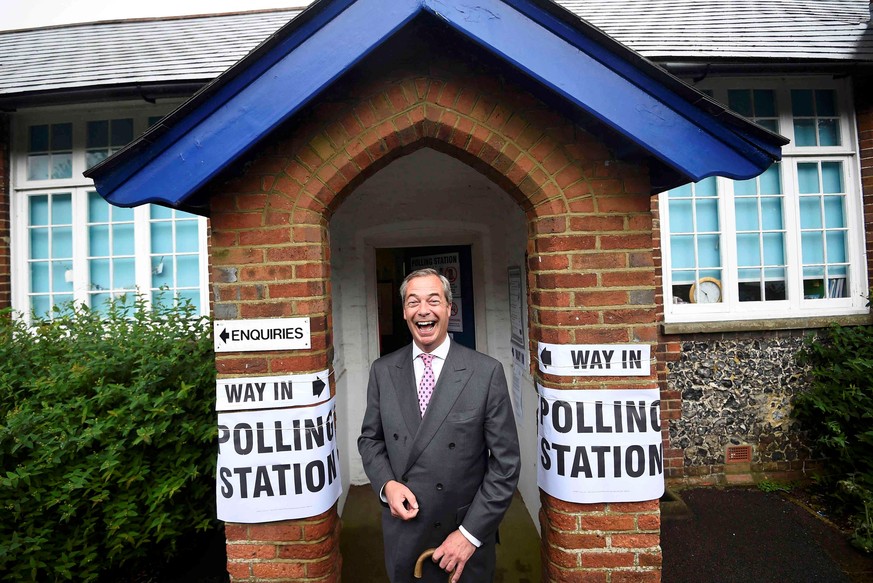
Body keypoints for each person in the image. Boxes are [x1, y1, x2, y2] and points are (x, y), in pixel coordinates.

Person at [358, 268, 521, 583]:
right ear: (405, 312)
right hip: (404, 533)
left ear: (449, 308)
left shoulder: (485, 373)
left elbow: (506, 466)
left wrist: (469, 535)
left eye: (433, 300)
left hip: (463, 536)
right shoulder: (382, 371)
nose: (423, 310)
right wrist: (386, 485)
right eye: (413, 302)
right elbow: (370, 441)